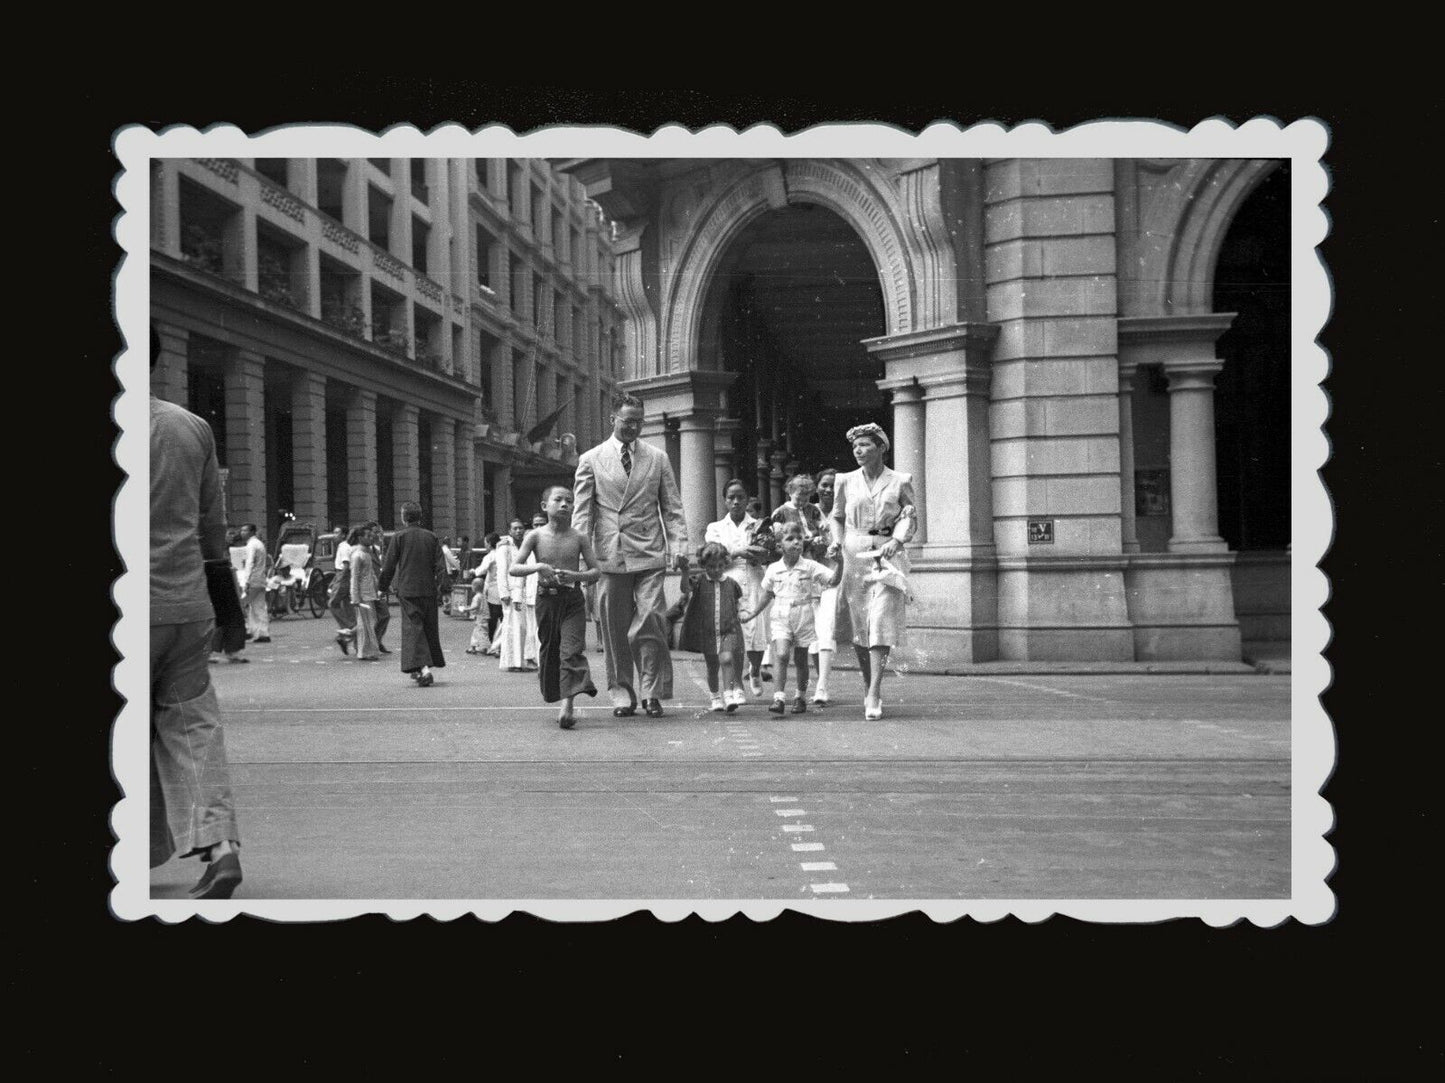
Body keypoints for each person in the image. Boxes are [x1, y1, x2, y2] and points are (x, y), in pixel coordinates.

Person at [149, 324, 243, 898]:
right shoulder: (191, 427)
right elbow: (214, 529)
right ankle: (221, 847)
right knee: (192, 725)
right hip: (186, 603)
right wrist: (227, 608)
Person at [573, 393, 689, 718]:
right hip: (608, 555)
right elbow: (582, 515)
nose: (634, 427)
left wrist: (679, 545)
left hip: (650, 551)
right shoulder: (591, 460)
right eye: (627, 421)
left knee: (651, 621)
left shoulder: (658, 458)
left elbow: (673, 507)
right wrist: (580, 559)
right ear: (613, 419)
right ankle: (621, 691)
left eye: (639, 421)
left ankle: (653, 692)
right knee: (614, 628)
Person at [828, 422, 918, 720]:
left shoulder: (900, 480)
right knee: (860, 626)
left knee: (880, 619)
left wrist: (897, 539)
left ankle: (875, 691)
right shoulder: (844, 480)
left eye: (865, 445)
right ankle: (868, 684)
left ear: (881, 447)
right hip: (855, 554)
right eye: (855, 446)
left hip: (887, 555)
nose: (859, 450)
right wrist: (836, 542)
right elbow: (837, 517)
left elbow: (908, 514)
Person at [508, 486, 601, 728]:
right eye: (558, 500)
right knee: (550, 651)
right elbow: (514, 568)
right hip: (546, 600)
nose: (564, 505)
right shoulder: (535, 536)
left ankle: (567, 706)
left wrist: (574, 576)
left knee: (571, 650)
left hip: (572, 601)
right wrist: (538, 568)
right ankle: (558, 694)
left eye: (569, 501)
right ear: (544, 506)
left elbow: (595, 572)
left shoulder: (579, 537)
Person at [741, 522, 842, 715]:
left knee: (801, 659)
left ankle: (800, 696)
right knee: (781, 654)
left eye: (800, 538)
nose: (797, 542)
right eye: (790, 539)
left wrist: (840, 563)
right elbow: (767, 594)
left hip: (803, 614)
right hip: (780, 614)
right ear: (780, 545)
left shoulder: (810, 566)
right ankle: (779, 697)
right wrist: (753, 613)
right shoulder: (772, 569)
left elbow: (833, 581)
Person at [704, 478, 773, 699]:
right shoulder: (715, 528)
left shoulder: (758, 525)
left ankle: (754, 669)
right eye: (731, 497)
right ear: (725, 500)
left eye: (740, 497)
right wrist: (742, 551)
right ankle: (736, 686)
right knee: (734, 637)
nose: (736, 502)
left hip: (754, 580)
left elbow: (766, 552)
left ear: (747, 499)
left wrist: (757, 553)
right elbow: (716, 555)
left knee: (756, 633)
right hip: (728, 583)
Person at [377, 501, 447, 686]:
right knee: (428, 628)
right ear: (420, 516)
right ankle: (423, 668)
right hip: (429, 590)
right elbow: (441, 567)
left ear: (404, 517)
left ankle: (422, 669)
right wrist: (444, 589)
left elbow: (389, 565)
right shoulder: (431, 537)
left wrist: (382, 586)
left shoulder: (399, 537)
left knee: (413, 630)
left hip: (408, 590)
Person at [676, 542, 747, 712]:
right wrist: (685, 571)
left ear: (725, 564)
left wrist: (743, 612)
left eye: (720, 566)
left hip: (727, 630)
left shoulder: (731, 583)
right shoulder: (699, 581)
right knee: (712, 666)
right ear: (703, 565)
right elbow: (685, 588)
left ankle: (729, 694)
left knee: (727, 659)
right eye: (711, 566)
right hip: (707, 631)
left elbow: (738, 602)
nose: (716, 570)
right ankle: (715, 696)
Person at [809, 468, 841, 705]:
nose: (829, 490)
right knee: (812, 631)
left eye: (833, 485)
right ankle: (820, 680)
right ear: (816, 486)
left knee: (826, 627)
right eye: (825, 485)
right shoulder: (808, 512)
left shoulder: (844, 513)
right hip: (809, 576)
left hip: (834, 575)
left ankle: (822, 687)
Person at [494, 520, 529, 671]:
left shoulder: (525, 545)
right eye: (515, 528)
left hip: (525, 591)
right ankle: (513, 662)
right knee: (512, 627)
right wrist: (504, 593)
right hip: (511, 591)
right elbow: (501, 571)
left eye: (521, 528)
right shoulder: (504, 548)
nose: (519, 531)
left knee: (523, 627)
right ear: (509, 531)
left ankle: (522, 660)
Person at [348, 525, 381, 661]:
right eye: (367, 536)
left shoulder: (366, 554)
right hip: (362, 593)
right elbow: (354, 577)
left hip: (369, 592)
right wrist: (355, 596)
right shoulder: (357, 555)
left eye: (370, 535)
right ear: (360, 538)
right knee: (364, 623)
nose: (371, 537)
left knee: (370, 621)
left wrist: (379, 587)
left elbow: (372, 574)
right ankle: (365, 651)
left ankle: (368, 650)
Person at [237, 523, 270, 644]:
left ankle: (247, 630)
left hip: (254, 579)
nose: (242, 533)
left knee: (243, 604)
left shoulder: (251, 545)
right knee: (259, 606)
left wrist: (245, 581)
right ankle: (262, 633)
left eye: (244, 530)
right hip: (261, 578)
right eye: (241, 530)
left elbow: (249, 563)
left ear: (252, 532)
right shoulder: (259, 544)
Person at [328, 524, 357, 655]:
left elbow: (345, 565)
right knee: (347, 606)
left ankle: (348, 627)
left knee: (332, 603)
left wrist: (339, 580)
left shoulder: (344, 547)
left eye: (337, 533)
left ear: (344, 535)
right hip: (341, 576)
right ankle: (351, 634)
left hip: (343, 576)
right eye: (334, 533)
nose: (334, 535)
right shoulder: (342, 546)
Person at [363, 522, 392, 655]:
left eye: (379, 532)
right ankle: (368, 644)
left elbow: (379, 570)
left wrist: (386, 584)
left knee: (384, 615)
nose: (378, 534)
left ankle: (376, 641)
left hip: (377, 588)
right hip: (366, 589)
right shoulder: (363, 549)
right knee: (365, 621)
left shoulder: (377, 550)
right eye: (375, 532)